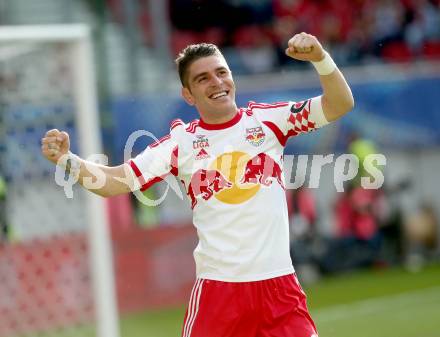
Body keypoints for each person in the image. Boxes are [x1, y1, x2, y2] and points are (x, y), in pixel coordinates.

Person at [41, 32, 354, 337]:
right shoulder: (180, 144)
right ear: (188, 94)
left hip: (279, 289)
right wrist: (68, 160)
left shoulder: (268, 123)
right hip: (220, 296)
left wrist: (320, 59)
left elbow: (339, 103)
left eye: (221, 72)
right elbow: (114, 183)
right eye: (203, 78)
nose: (217, 82)